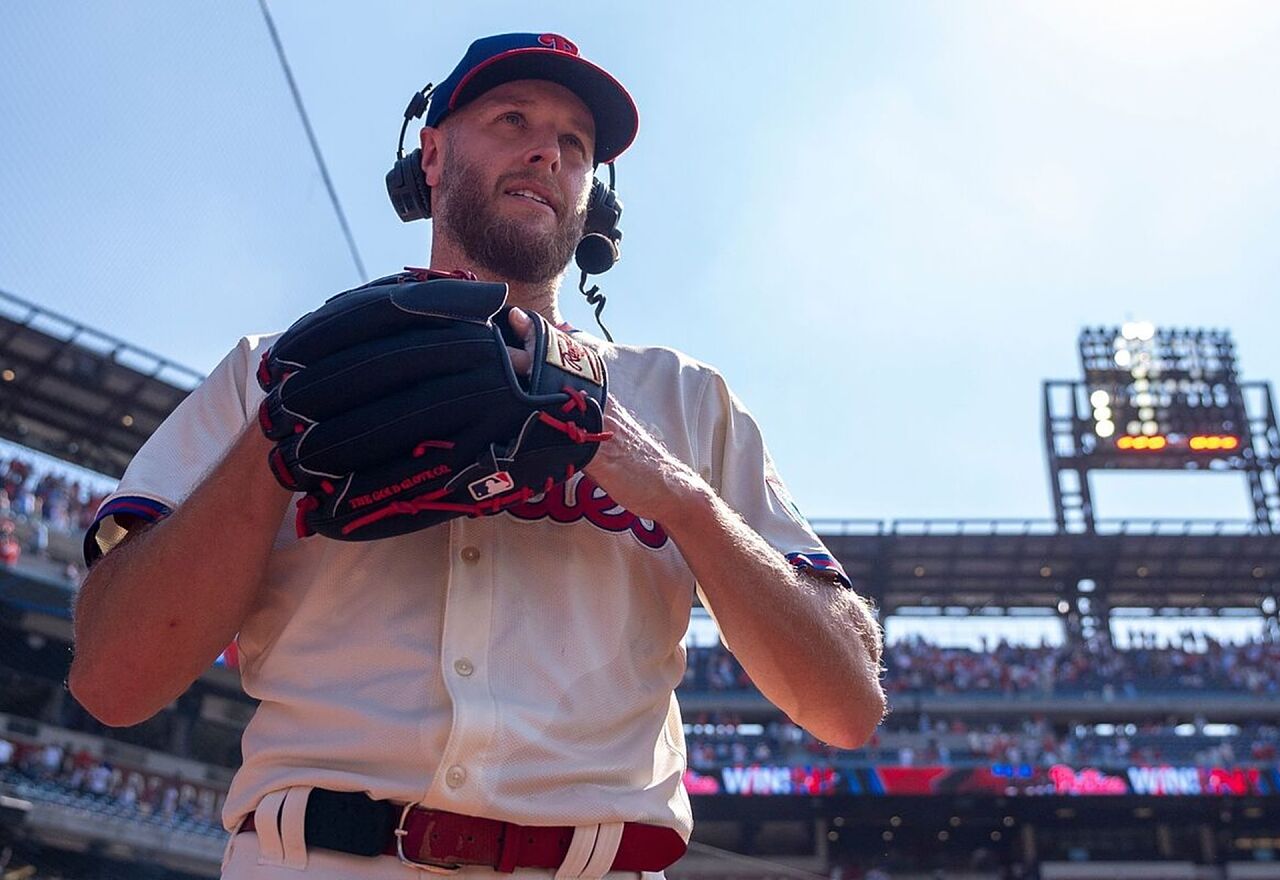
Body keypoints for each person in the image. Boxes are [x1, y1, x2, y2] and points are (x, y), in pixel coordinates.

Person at [69, 32, 886, 879]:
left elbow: (848, 705)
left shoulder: (684, 400)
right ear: (430, 155)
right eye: (512, 119)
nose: (549, 152)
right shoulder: (275, 371)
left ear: (593, 198)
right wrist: (272, 446)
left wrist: (682, 496)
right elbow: (112, 681)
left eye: (576, 143)